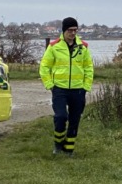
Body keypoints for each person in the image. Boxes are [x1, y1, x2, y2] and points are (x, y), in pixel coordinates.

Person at [39, 17, 94, 156]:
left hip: (78, 90)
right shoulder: (54, 46)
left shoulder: (83, 47)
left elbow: (89, 68)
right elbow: (44, 67)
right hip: (59, 89)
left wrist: (86, 87)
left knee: (75, 120)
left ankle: (69, 149)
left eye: (75, 30)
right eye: (70, 30)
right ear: (64, 30)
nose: (73, 33)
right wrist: (50, 85)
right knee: (61, 117)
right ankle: (58, 144)